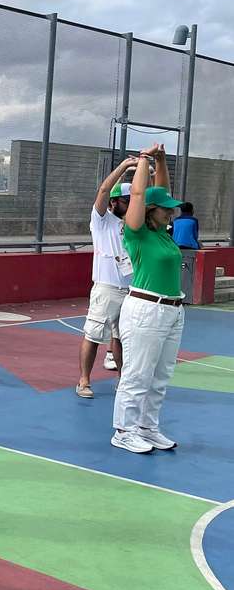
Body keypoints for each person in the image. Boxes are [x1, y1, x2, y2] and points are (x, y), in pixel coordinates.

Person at [111, 143, 183, 454]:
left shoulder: (163, 233)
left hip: (172, 310)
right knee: (138, 374)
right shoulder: (137, 233)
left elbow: (160, 191)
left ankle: (147, 428)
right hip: (146, 309)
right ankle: (124, 431)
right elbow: (140, 195)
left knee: (160, 376)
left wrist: (161, 161)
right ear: (150, 211)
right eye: (166, 208)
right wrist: (143, 160)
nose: (171, 212)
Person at [76, 157, 139, 399]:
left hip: (130, 289)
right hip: (107, 288)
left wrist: (149, 173)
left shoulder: (132, 224)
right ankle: (84, 380)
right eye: (127, 200)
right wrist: (123, 167)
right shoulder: (101, 220)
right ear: (114, 202)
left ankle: (122, 379)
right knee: (93, 335)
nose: (131, 204)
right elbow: (104, 189)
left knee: (122, 338)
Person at [172, 201, 200, 303]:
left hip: (175, 246)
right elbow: (195, 235)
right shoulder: (194, 220)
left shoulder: (175, 220)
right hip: (190, 246)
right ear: (192, 210)